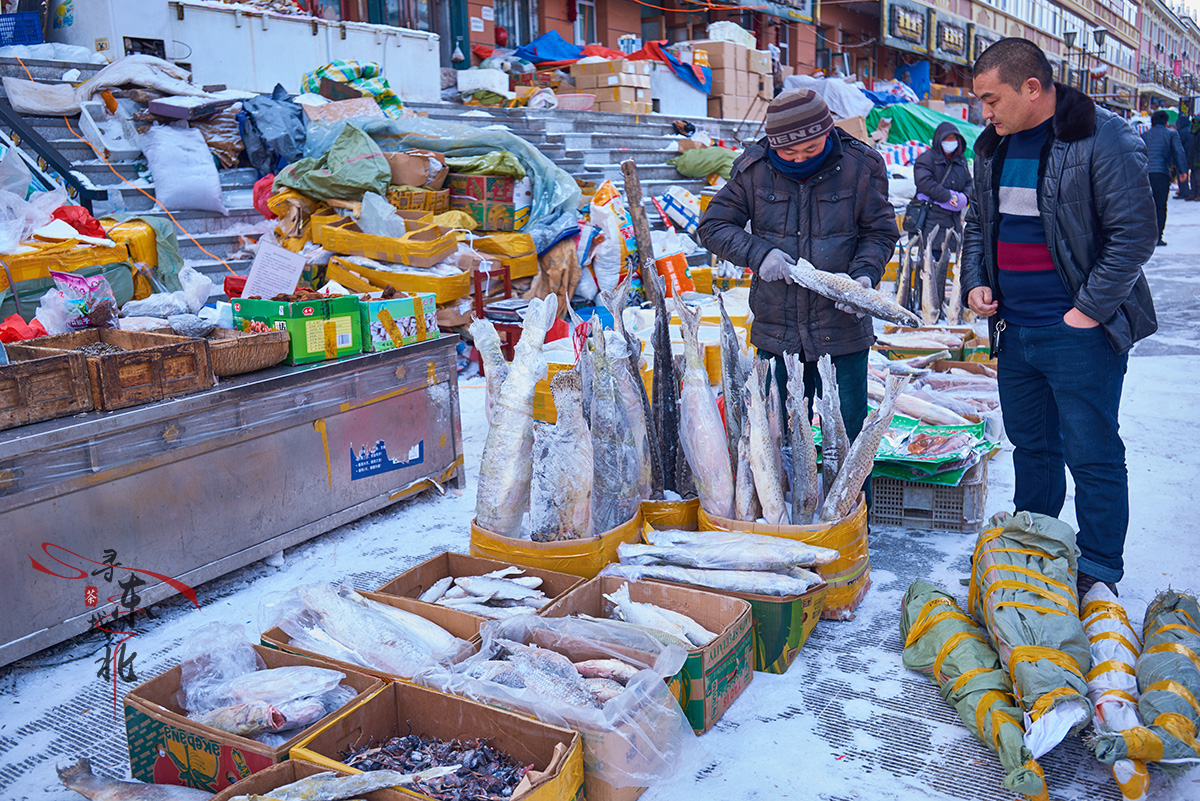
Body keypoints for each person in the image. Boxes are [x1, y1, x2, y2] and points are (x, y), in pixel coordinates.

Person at [962, 38, 1157, 599]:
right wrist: (977, 281)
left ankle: (1099, 569)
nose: (985, 112)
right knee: (1033, 449)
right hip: (1013, 329)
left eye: (991, 98)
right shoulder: (992, 147)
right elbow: (980, 224)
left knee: (1092, 453)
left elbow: (1133, 235)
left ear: (1031, 88)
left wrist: (1086, 312)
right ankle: (1035, 545)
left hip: (1078, 334)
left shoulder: (1103, 137)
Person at [697, 88, 898, 478]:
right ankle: (784, 529)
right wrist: (759, 254)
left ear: (828, 131)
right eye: (790, 153)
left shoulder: (862, 165)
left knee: (850, 438)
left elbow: (881, 232)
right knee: (776, 437)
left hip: (843, 330)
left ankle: (853, 527)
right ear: (773, 144)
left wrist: (862, 277)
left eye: (811, 147)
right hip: (778, 330)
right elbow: (713, 225)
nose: (801, 159)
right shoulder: (753, 169)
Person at [911, 121, 973, 296]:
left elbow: (969, 182)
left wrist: (965, 198)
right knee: (930, 261)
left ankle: (941, 296)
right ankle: (926, 298)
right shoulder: (927, 159)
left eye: (954, 138)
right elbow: (924, 182)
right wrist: (948, 197)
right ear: (939, 140)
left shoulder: (960, 161)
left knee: (948, 260)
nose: (950, 142)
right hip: (931, 219)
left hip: (953, 221)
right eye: (947, 138)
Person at [1141, 110, 1188, 246]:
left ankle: (1145, 236)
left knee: (1146, 206)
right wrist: (1182, 171)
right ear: (1166, 122)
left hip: (1144, 174)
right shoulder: (1172, 134)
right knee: (1160, 206)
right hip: (1161, 173)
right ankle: (1158, 237)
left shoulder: (1144, 135)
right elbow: (1179, 152)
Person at [1175, 114, 1193, 199]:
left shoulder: (1181, 132)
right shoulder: (1191, 130)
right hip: (1193, 155)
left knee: (1181, 172)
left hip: (1184, 155)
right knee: (1193, 173)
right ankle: (1193, 191)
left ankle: (1184, 191)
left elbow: (1178, 145)